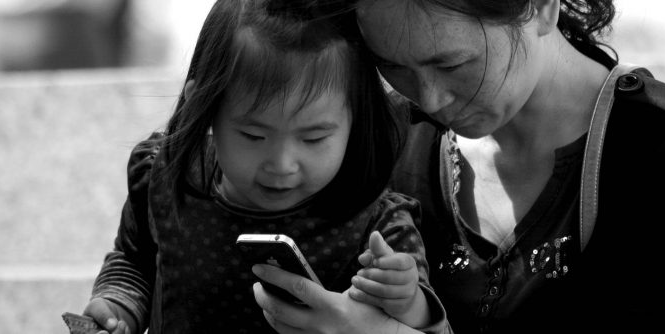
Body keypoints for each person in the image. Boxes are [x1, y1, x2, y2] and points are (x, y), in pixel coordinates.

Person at [250, 0, 665, 333]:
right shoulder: (390, 135)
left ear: (541, 8)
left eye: (451, 65)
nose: (429, 99)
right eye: (394, 67)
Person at [73, 0, 448, 333]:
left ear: (356, 120)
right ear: (204, 107)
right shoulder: (167, 177)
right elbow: (134, 260)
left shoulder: (378, 226)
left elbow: (427, 324)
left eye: (314, 138)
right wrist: (118, 307)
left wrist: (407, 301)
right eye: (253, 135)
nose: (282, 165)